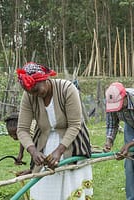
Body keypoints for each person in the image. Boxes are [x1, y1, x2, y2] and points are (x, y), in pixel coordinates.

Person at [16, 62, 93, 200]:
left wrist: (59, 151)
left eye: (36, 90)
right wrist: (33, 151)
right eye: (30, 92)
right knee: (44, 188)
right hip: (44, 142)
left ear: (44, 79)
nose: (35, 95)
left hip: (72, 142)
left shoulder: (67, 89)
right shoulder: (29, 96)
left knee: (69, 186)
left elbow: (75, 125)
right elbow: (22, 129)